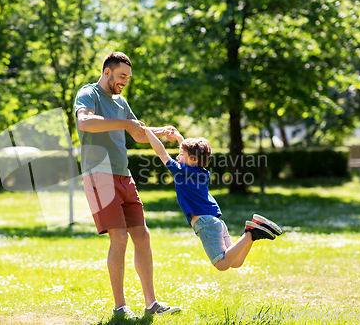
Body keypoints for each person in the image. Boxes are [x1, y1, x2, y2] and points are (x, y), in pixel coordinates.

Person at [74, 52, 181, 319]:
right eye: (121, 76)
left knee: (142, 235)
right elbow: (84, 122)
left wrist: (159, 131)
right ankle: (120, 307)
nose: (125, 82)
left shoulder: (121, 102)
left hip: (124, 176)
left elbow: (137, 132)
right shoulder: (89, 94)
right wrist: (125, 123)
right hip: (99, 176)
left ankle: (151, 303)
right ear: (107, 72)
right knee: (119, 237)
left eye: (128, 78)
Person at [143, 127, 282, 271]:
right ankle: (252, 232)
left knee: (222, 264)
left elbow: (162, 153)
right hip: (216, 222)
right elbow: (190, 155)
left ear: (193, 159)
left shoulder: (181, 171)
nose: (178, 157)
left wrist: (149, 133)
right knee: (236, 261)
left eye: (180, 154)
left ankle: (250, 233)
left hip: (205, 223)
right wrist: (179, 139)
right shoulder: (202, 172)